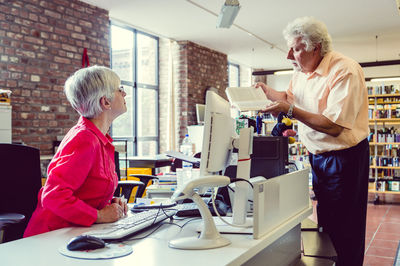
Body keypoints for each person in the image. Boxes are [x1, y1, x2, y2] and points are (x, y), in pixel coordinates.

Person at [256, 17, 369, 265]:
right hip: (318, 157)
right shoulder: (301, 73)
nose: (288, 55)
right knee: (327, 224)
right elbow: (290, 98)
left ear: (315, 47)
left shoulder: (344, 70)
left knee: (345, 229)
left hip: (344, 158)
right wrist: (268, 94)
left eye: (295, 48)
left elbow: (334, 126)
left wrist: (289, 111)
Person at [24, 66, 128, 237]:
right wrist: (99, 215)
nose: (124, 94)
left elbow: (85, 192)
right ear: (106, 102)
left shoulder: (100, 140)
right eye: (120, 89)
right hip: (51, 237)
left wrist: (107, 205)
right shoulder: (83, 139)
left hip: (77, 232)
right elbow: (53, 195)